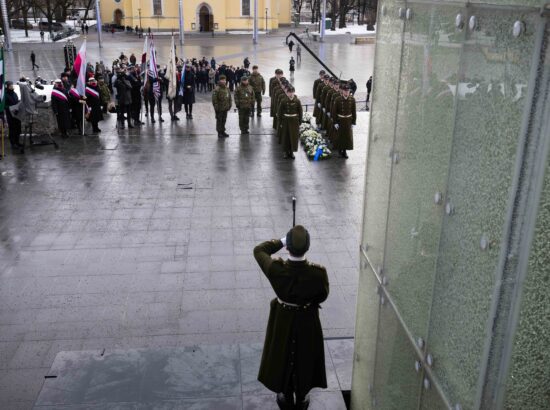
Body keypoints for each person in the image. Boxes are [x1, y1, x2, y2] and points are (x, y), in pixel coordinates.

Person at [253, 225, 329, 410]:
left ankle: (286, 395)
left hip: (283, 318)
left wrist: (281, 241)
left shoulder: (276, 270)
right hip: (307, 319)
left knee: (283, 354)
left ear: (288, 248)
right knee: (305, 355)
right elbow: (323, 295)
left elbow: (259, 250)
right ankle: (301, 395)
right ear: (308, 247)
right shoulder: (318, 274)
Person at [331, 83, 357, 159]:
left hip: (348, 121)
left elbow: (354, 112)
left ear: (349, 91)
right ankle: (340, 150)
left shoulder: (352, 100)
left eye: (348, 91)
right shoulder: (338, 99)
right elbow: (334, 112)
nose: (346, 92)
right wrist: (335, 122)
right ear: (342, 91)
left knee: (347, 137)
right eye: (345, 91)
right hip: (340, 120)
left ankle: (345, 151)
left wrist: (353, 122)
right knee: (340, 136)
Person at [278, 85, 302, 159]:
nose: (291, 94)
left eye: (292, 92)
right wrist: (280, 123)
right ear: (287, 93)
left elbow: (300, 112)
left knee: (293, 137)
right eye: (289, 92)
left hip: (294, 121)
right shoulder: (283, 101)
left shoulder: (297, 101)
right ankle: (285, 152)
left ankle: (291, 152)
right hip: (286, 121)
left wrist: (300, 122)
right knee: (286, 137)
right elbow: (280, 112)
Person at [4, 81, 24, 154]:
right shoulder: (5, 95)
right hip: (10, 115)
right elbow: (4, 106)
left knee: (18, 128)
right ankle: (13, 144)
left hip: (17, 114)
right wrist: (11, 108)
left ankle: (17, 142)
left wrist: (19, 104)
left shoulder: (14, 93)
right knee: (12, 129)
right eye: (10, 85)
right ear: (7, 87)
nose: (12, 86)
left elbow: (17, 101)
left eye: (12, 85)